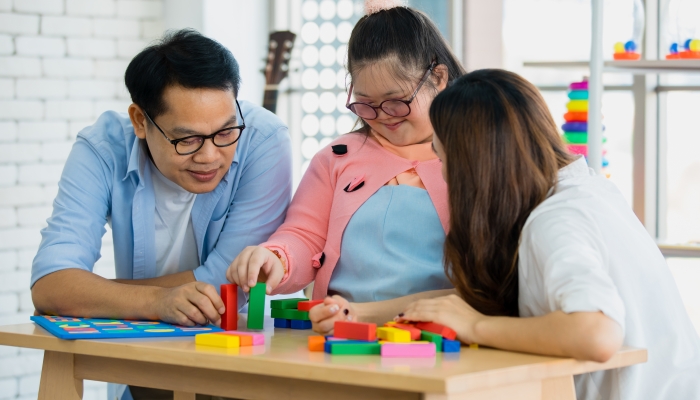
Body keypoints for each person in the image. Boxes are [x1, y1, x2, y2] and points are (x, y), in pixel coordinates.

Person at [399, 69, 700, 400]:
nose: (443, 175)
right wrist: (359, 315)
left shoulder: (554, 221)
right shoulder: (590, 189)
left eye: (444, 159)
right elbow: (472, 303)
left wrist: (475, 327)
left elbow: (597, 334)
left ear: (475, 165)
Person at [30, 30, 292, 399]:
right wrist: (157, 302)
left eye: (225, 132)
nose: (209, 156)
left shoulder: (264, 139)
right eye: (186, 140)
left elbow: (225, 286)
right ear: (140, 121)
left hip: (240, 361)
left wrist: (91, 293)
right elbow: (51, 285)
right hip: (141, 362)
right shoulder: (102, 147)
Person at [227, 1, 466, 333]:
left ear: (437, 78)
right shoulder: (337, 157)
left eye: (396, 101)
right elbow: (303, 234)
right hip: (342, 333)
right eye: (366, 105)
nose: (383, 116)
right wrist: (277, 259)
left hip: (445, 336)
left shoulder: (470, 155)